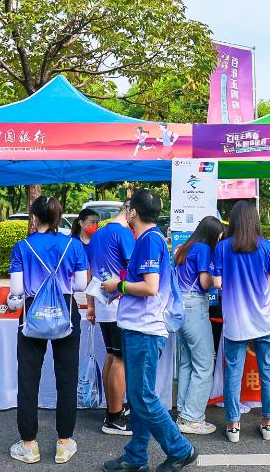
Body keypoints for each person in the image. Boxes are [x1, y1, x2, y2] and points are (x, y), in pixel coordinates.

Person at [101, 190, 197, 472]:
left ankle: (180, 450)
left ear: (133, 212)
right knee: (138, 397)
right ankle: (135, 456)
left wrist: (118, 286)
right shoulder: (150, 239)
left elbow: (150, 287)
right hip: (139, 327)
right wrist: (122, 291)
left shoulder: (149, 240)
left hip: (144, 329)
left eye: (128, 209)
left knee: (143, 396)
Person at [6, 196, 89, 465]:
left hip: (32, 313)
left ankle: (29, 444)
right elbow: (80, 285)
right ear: (58, 216)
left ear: (34, 216)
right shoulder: (73, 245)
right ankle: (64, 442)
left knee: (28, 378)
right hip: (66, 312)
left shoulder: (22, 247)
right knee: (67, 377)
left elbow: (16, 290)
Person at [212, 201, 270, 443]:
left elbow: (217, 283)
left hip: (236, 320)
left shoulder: (222, 247)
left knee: (233, 372)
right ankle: (268, 423)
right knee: (267, 371)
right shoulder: (267, 247)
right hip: (264, 319)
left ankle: (233, 425)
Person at [173, 216, 224, 435]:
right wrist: (219, 276)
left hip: (180, 306)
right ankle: (192, 418)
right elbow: (204, 282)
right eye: (219, 236)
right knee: (204, 364)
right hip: (195, 305)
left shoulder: (186, 247)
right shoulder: (203, 249)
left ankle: (183, 413)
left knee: (187, 362)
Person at [88, 202, 135, 436]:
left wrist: (90, 304)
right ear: (130, 212)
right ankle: (115, 417)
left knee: (111, 354)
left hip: (102, 302)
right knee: (120, 358)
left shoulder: (98, 234)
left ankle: (113, 409)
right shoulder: (123, 233)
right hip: (118, 303)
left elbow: (90, 270)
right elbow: (133, 268)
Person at [71, 208, 98, 309]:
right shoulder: (72, 242)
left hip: (96, 288)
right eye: (92, 222)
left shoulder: (98, 240)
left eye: (97, 223)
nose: (95, 225)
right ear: (81, 223)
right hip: (78, 289)